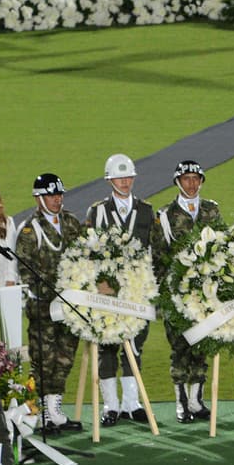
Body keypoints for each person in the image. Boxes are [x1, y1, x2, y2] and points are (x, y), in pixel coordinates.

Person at [151, 160, 225, 423]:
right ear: (177, 182)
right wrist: (166, 294)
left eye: (196, 179)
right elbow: (158, 258)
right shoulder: (164, 216)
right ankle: (182, 402)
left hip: (205, 293)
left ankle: (196, 400)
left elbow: (222, 249)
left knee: (201, 345)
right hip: (177, 295)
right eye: (186, 179)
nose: (191, 184)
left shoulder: (211, 211)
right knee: (180, 347)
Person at [85, 154, 154, 427]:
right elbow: (88, 252)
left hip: (137, 291)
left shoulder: (147, 211)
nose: (125, 182)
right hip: (107, 291)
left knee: (135, 347)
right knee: (107, 348)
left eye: (128, 177)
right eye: (119, 177)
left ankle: (131, 403)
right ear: (110, 180)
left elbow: (153, 251)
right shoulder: (97, 212)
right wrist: (99, 284)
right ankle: (111, 405)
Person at [14, 173, 84, 435]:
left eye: (59, 195)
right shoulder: (29, 230)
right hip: (43, 308)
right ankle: (40, 413)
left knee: (65, 358)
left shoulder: (72, 223)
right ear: (38, 198)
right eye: (51, 195)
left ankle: (54, 409)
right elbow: (24, 270)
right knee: (43, 361)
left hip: (70, 305)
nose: (57, 199)